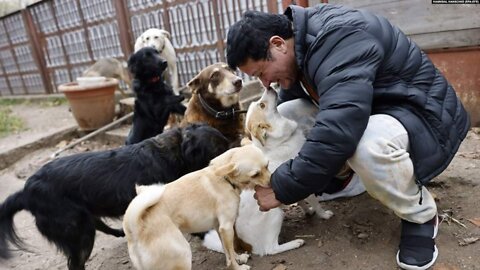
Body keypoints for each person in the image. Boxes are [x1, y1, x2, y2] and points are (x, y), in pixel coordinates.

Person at [226, 4, 470, 270]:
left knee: (367, 146)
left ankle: (420, 214)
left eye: (261, 73)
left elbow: (338, 127)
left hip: (420, 114)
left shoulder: (338, 37)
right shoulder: (299, 44)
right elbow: (312, 115)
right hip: (372, 111)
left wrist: (284, 187)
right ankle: (346, 180)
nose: (264, 83)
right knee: (286, 115)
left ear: (277, 44)